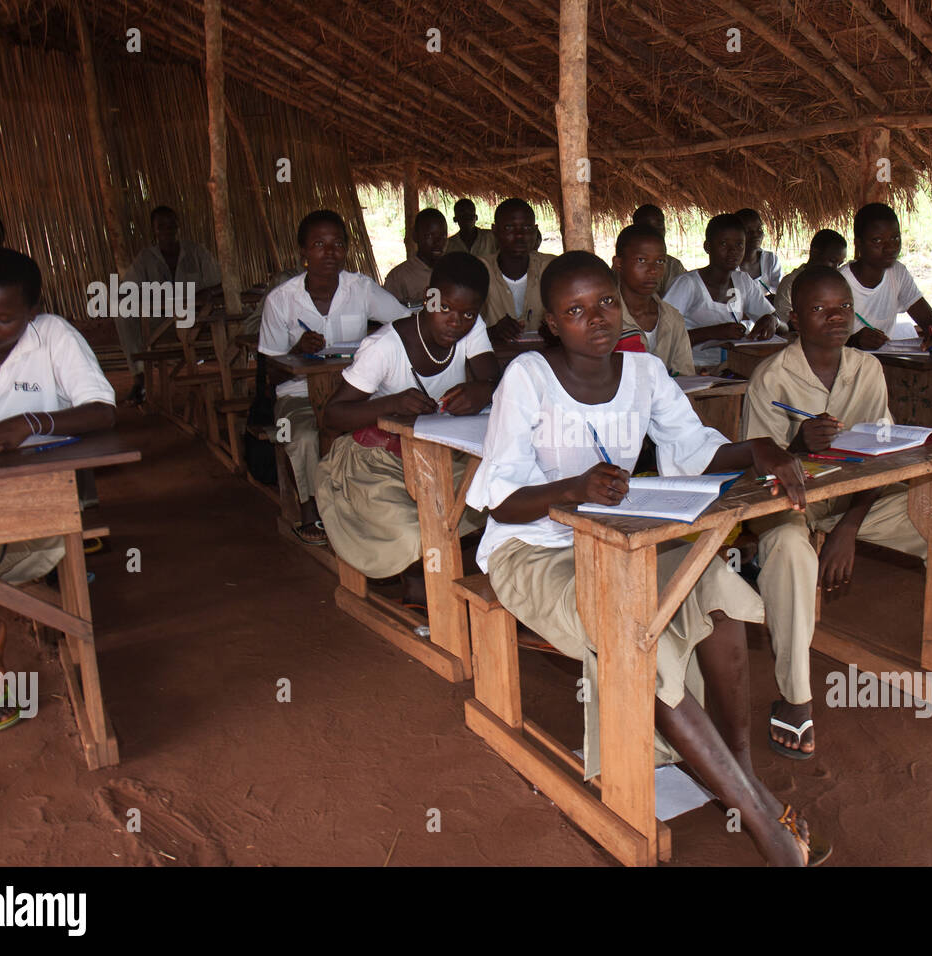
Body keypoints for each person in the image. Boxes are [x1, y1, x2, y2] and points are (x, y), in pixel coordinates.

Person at [466, 250, 825, 866]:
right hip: (534, 548)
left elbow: (693, 449)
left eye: (605, 302)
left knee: (714, 587)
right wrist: (572, 489)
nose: (597, 319)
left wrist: (759, 448)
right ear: (552, 323)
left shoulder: (645, 373)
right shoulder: (527, 376)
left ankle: (737, 775)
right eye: (575, 311)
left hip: (617, 540)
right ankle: (762, 819)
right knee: (640, 637)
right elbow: (499, 501)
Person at [743, 267, 932, 758]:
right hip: (785, 503)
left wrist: (848, 529)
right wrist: (794, 445)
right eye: (819, 309)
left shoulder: (867, 368)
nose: (835, 317)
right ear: (794, 318)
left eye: (843, 307)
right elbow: (757, 471)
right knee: (792, 550)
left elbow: (875, 457)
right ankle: (795, 697)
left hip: (857, 499)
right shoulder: (770, 377)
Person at [0, 248, 116, 732]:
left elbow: (102, 411)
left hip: (44, 515)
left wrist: (31, 423)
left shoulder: (53, 337)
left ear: (32, 311)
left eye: (3, 318)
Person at [317, 252, 496, 604]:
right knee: (415, 529)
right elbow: (332, 416)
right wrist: (390, 404)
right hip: (374, 460)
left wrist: (481, 389)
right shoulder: (383, 347)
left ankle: (437, 577)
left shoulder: (472, 331)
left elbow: (492, 376)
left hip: (438, 456)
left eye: (468, 314)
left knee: (494, 502)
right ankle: (419, 579)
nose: (456, 322)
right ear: (428, 297)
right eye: (445, 309)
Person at [259, 210, 410, 545]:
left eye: (337, 244)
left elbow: (405, 323)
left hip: (353, 393)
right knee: (305, 436)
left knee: (381, 429)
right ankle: (313, 508)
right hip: (297, 393)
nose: (329, 253)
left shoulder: (361, 289)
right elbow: (268, 371)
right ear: (302, 253)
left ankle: (370, 505)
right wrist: (295, 351)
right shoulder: (280, 301)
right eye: (318, 245)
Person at [116, 206, 222, 405]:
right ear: (154, 230)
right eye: (161, 226)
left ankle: (231, 378)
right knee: (122, 315)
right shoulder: (146, 259)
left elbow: (222, 283)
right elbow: (125, 290)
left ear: (178, 226)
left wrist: (207, 293)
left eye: (171, 224)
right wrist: (148, 299)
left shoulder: (197, 253)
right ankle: (140, 380)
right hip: (161, 325)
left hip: (196, 323)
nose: (167, 230)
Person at [662, 213, 775, 369]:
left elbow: (780, 324)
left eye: (739, 245)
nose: (733, 251)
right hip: (691, 368)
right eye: (723, 244)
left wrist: (771, 320)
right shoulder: (688, 285)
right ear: (707, 247)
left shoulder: (743, 281)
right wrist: (713, 332)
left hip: (733, 365)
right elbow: (663, 337)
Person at [839, 203, 932, 353]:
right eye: (877, 240)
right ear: (858, 244)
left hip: (882, 366)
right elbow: (816, 338)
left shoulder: (897, 273)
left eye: (895, 238)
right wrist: (853, 340)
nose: (890, 247)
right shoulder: (839, 282)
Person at [612, 224, 695, 376]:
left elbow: (685, 374)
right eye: (642, 260)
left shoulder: (672, 318)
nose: (653, 270)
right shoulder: (605, 317)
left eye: (660, 261)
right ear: (619, 263)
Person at [481, 198, 555, 343]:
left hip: (545, 360)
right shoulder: (478, 271)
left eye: (527, 228)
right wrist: (491, 333)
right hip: (493, 361)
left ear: (535, 230)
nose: (520, 235)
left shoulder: (552, 268)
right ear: (495, 231)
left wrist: (557, 331)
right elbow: (456, 330)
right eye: (509, 228)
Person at [775, 229, 846, 331]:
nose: (835, 268)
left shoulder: (835, 285)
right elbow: (784, 323)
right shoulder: (790, 283)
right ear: (814, 253)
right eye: (832, 261)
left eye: (840, 264)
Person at [384, 208, 449, 305]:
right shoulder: (398, 278)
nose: (438, 242)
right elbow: (388, 315)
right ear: (415, 236)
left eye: (443, 236)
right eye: (430, 236)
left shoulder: (453, 272)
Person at [632, 203, 686, 295]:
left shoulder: (674, 266)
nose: (654, 231)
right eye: (647, 227)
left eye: (659, 225)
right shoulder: (625, 264)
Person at [735, 208, 783, 296]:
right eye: (749, 231)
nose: (756, 235)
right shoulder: (730, 265)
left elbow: (779, 293)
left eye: (759, 229)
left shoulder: (770, 260)